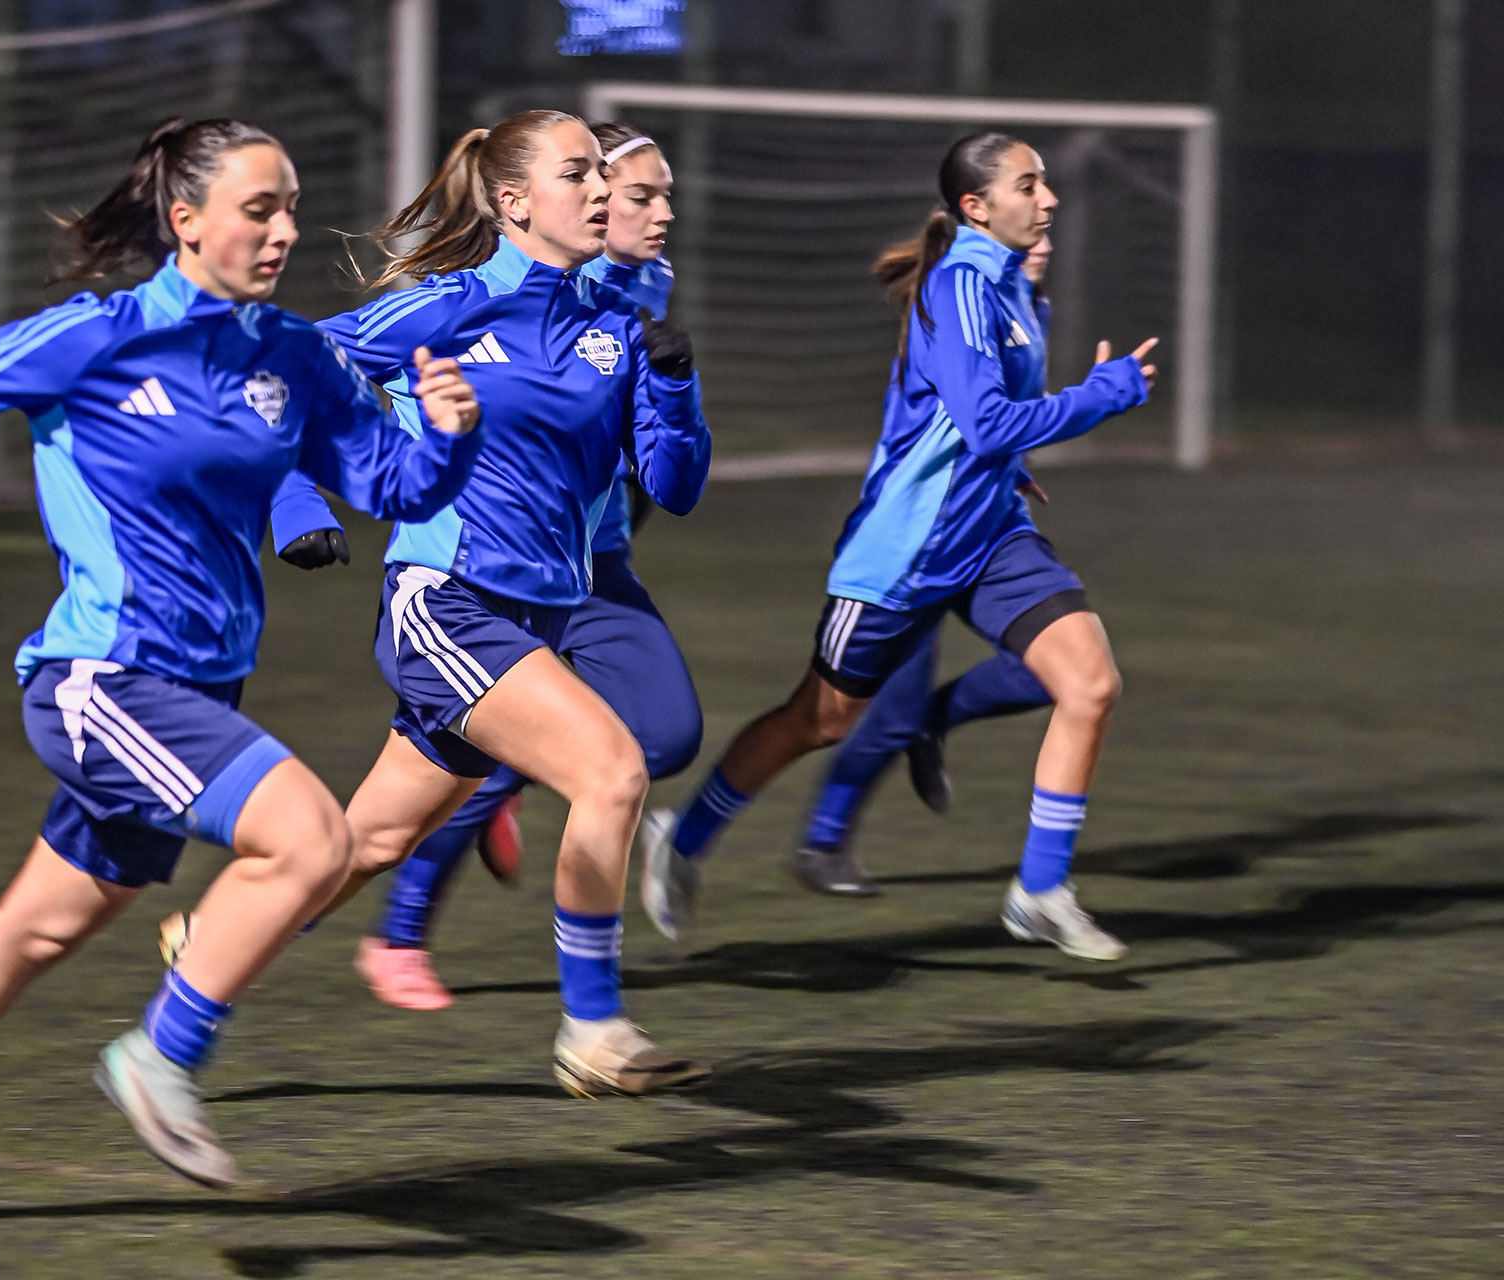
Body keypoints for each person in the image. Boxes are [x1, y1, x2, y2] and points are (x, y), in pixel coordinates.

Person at [0, 117, 482, 1233]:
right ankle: (161, 1057)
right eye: (258, 209)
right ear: (186, 220)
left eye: (291, 208)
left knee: (38, 926)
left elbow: (396, 485)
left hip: (196, 693)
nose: (284, 231)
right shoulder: (102, 334)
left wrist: (448, 433)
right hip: (100, 679)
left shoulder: (295, 356)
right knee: (312, 840)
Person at [641, 132, 1157, 962]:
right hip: (906, 553)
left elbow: (974, 429)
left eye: (1046, 182)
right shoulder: (959, 288)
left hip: (990, 536)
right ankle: (686, 835)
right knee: (820, 720)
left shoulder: (1021, 293)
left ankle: (1041, 889)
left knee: (1090, 682)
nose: (1050, 197)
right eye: (1030, 185)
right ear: (977, 208)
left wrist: (1017, 468)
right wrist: (1102, 396)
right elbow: (985, 425)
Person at [311, 109, 712, 1095]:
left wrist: (676, 383)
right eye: (586, 176)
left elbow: (672, 483)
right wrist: (295, 496)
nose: (612, 197)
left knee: (367, 839)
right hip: (445, 596)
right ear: (515, 200)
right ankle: (594, 1028)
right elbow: (294, 369)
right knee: (612, 768)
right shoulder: (448, 304)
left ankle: (195, 968)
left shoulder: (617, 318)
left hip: (544, 600)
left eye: (609, 180)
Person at [793, 236, 1058, 896]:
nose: (1044, 244)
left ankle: (936, 722)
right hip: (914, 542)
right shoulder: (953, 308)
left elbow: (994, 419)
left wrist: (1012, 471)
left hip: (984, 534)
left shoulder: (1031, 310)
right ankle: (823, 842)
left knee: (1056, 673)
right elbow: (946, 420)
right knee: (884, 714)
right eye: (1031, 231)